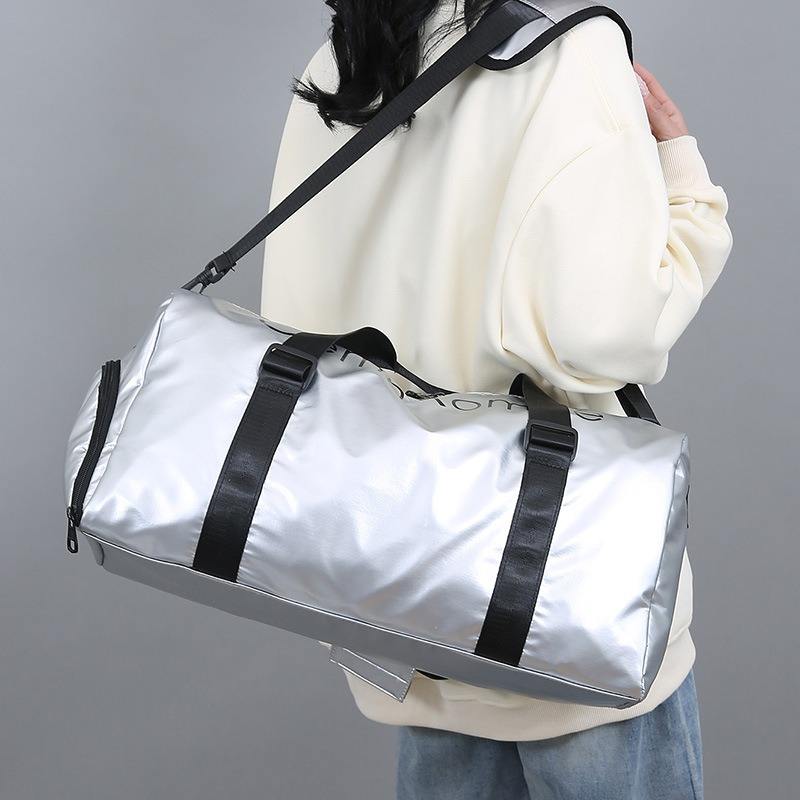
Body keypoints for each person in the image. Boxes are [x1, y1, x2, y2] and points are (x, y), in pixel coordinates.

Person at [262, 2, 733, 798]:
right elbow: (604, 336)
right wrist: (690, 198)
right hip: (563, 602)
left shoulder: (343, 63)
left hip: (402, 598)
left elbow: (297, 312)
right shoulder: (563, 54)